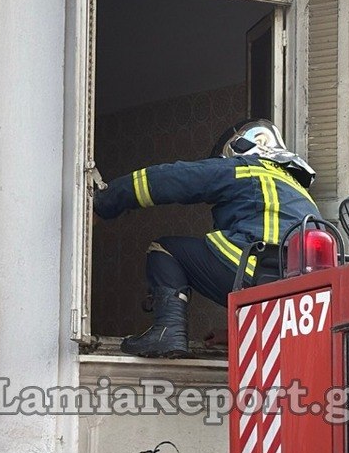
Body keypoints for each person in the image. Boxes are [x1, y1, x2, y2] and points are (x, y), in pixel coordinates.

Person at [94, 119, 319, 358]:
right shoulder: (300, 193)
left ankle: (167, 332)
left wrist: (105, 201)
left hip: (257, 267)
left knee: (165, 250)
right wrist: (237, 335)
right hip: (303, 294)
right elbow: (279, 298)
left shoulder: (247, 168)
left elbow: (173, 179)